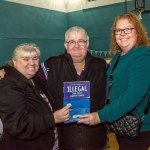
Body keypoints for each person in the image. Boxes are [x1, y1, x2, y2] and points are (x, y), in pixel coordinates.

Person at [78, 13, 150, 150]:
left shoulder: (142, 56)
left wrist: (100, 116)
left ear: (138, 32)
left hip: (137, 127)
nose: (123, 33)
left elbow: (133, 96)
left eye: (128, 29)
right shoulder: (118, 56)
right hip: (120, 121)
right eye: (118, 30)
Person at [38, 26, 107, 150]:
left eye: (81, 41)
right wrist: (6, 71)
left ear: (88, 43)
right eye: (71, 42)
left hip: (96, 139)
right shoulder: (51, 65)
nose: (76, 45)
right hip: (65, 141)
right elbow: (27, 76)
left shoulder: (101, 65)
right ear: (65, 45)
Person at [0, 43, 71, 150]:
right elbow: (18, 125)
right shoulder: (9, 86)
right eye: (25, 59)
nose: (31, 63)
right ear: (14, 62)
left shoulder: (35, 80)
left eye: (35, 58)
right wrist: (53, 118)